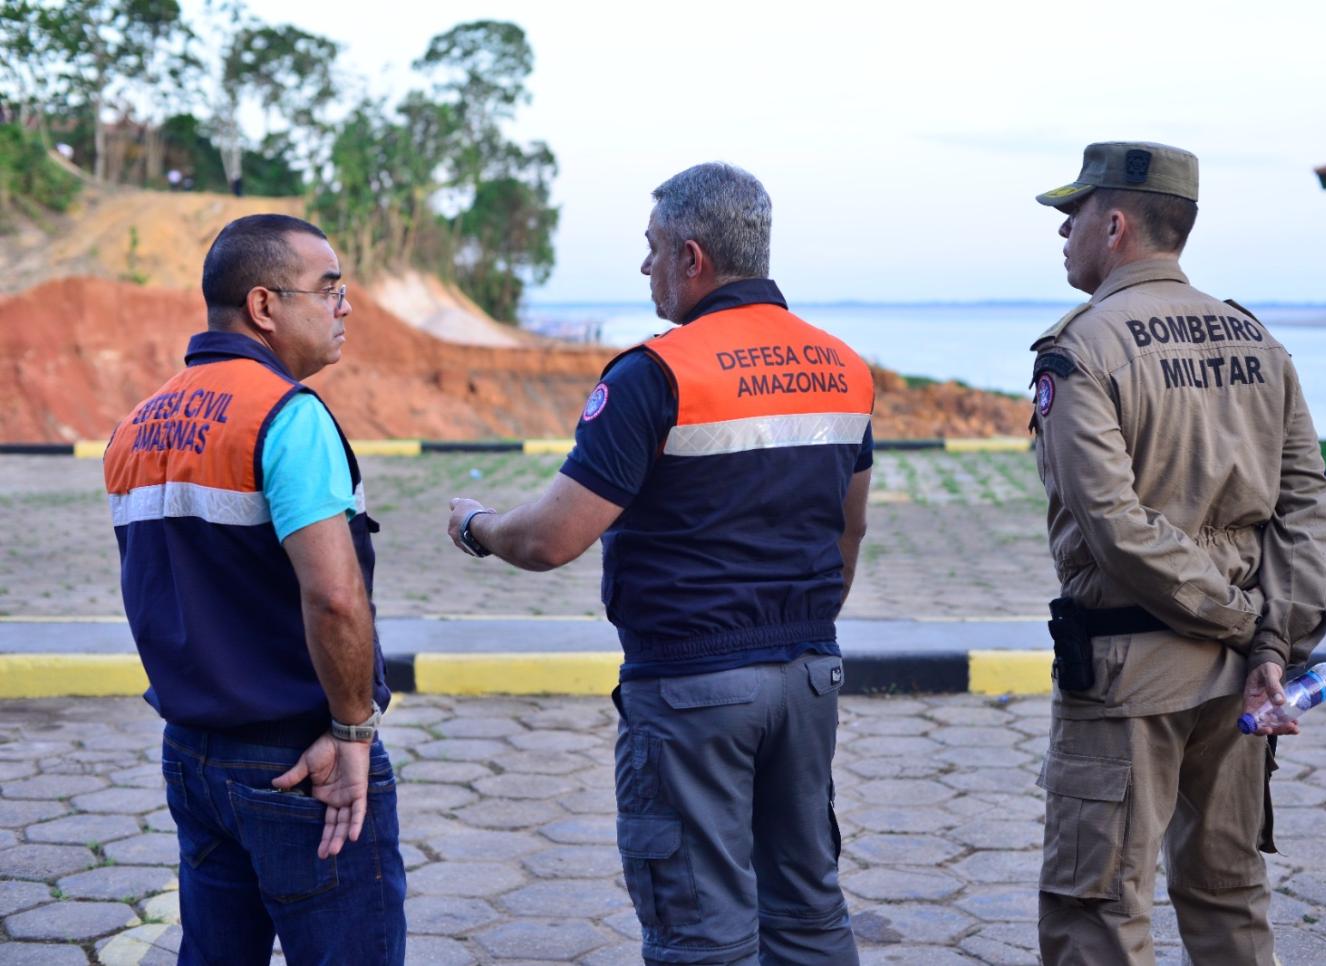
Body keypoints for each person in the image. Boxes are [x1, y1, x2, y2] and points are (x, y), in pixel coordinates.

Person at [446, 162, 872, 965]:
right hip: (810, 675)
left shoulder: (656, 374)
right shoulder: (841, 367)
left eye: (651, 251)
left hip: (692, 685)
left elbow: (551, 539)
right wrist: (803, 632)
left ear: (692, 256)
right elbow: (850, 529)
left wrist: (478, 525)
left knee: (701, 933)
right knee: (810, 915)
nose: (644, 270)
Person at [1027, 142, 1326, 965]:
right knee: (1227, 893)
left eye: (1075, 213)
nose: (1063, 230)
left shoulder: (1082, 347)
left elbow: (1115, 526)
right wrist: (1273, 642)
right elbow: (1307, 506)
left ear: (1117, 224)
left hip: (1133, 668)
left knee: (1095, 903)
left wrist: (1245, 625)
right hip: (1244, 677)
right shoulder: (1254, 339)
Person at [102, 213, 405, 964]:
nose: (344, 308)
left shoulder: (135, 427)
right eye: (328, 289)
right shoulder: (286, 417)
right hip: (302, 761)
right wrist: (353, 731)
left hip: (194, 756)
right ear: (265, 307)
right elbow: (334, 597)